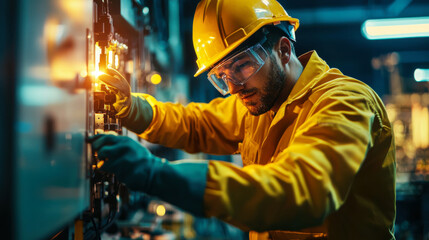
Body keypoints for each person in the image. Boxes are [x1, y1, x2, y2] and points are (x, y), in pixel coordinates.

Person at [89, 0, 396, 239]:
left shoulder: (344, 103)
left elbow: (301, 192)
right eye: (221, 76)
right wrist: (130, 108)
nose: (233, 86)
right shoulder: (264, 103)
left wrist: (158, 175)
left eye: (242, 66)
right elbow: (197, 124)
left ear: (284, 50)